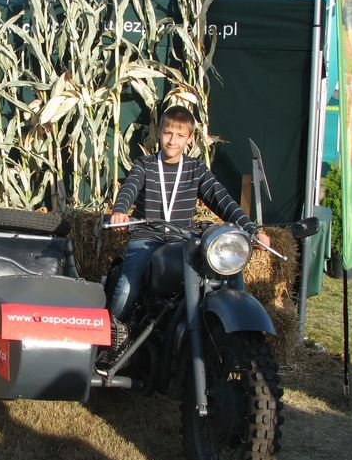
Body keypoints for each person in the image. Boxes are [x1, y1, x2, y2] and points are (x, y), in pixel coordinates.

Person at [108, 105, 270, 328]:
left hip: (183, 239)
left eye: (180, 135)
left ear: (189, 139)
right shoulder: (144, 166)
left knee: (223, 274)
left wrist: (252, 229)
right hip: (147, 238)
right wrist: (119, 211)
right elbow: (129, 189)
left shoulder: (196, 169)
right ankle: (110, 339)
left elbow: (222, 200)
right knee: (128, 286)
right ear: (159, 132)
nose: (172, 141)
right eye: (167, 133)